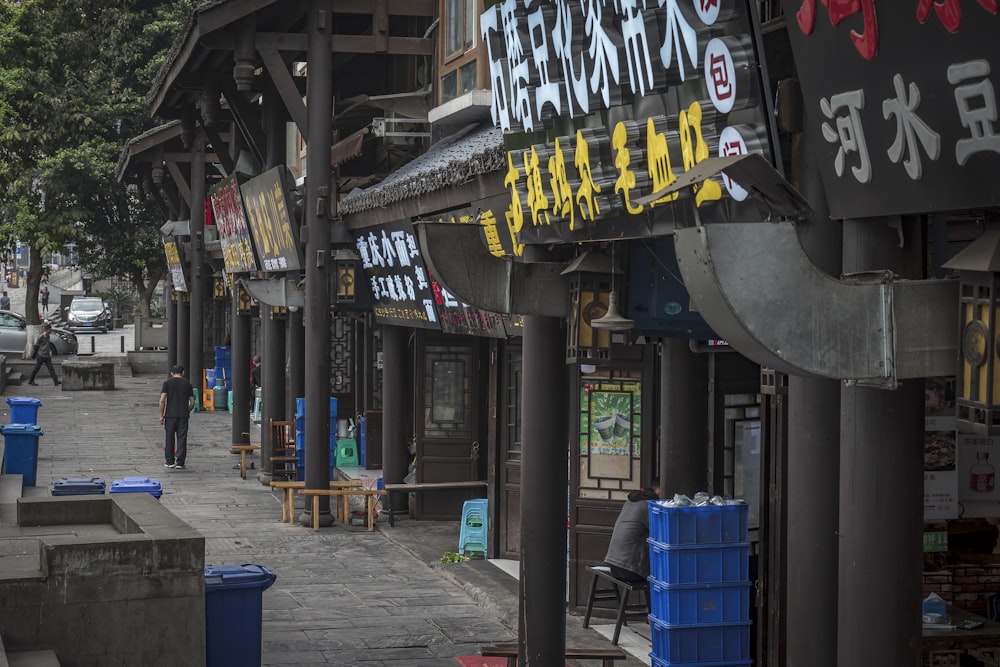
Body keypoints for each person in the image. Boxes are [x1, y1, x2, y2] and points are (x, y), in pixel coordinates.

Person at [603, 485, 661, 583]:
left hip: (613, 564)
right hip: (629, 569)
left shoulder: (630, 502)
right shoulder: (648, 506)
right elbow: (662, 531)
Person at [159, 365, 195, 469]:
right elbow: (192, 402)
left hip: (170, 415)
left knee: (169, 438)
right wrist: (187, 410)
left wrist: (161, 415)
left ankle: (169, 461)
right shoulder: (187, 384)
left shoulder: (167, 383)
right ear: (183, 373)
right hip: (183, 415)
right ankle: (180, 462)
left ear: (171, 373)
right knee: (182, 438)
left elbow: (162, 400)